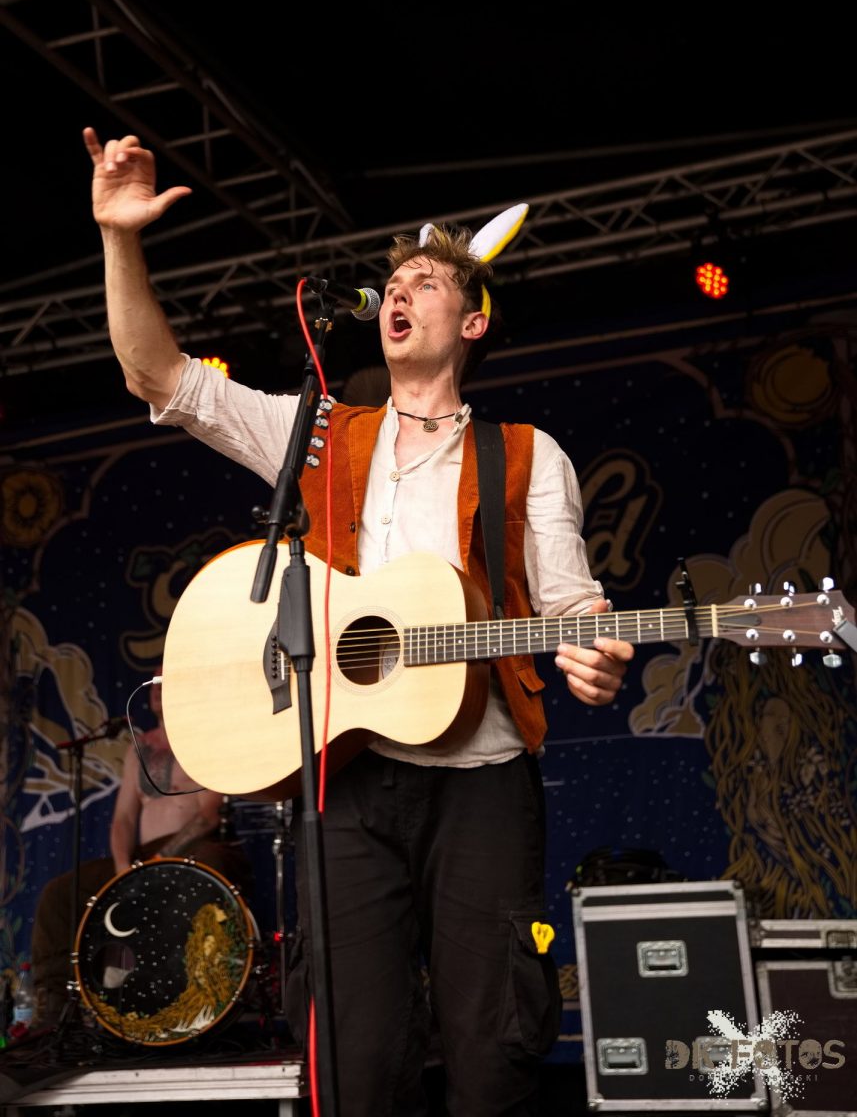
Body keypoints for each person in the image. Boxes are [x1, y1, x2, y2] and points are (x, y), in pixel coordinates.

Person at [83, 126, 634, 1116]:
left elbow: (569, 605)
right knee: (352, 1058)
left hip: (481, 783)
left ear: (471, 321)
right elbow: (157, 376)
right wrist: (120, 236)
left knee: (492, 1053)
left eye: (426, 282)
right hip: (346, 777)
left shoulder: (524, 452)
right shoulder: (319, 432)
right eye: (394, 282)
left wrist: (591, 649)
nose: (399, 292)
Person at [30, 672, 252, 1028]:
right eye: (155, 681)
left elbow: (209, 814)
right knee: (59, 894)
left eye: (168, 677)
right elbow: (123, 818)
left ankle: (200, 997)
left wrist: (161, 862)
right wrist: (123, 868)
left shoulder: (206, 738)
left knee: (209, 861)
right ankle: (53, 1010)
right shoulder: (140, 747)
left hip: (195, 847)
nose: (158, 687)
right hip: (142, 857)